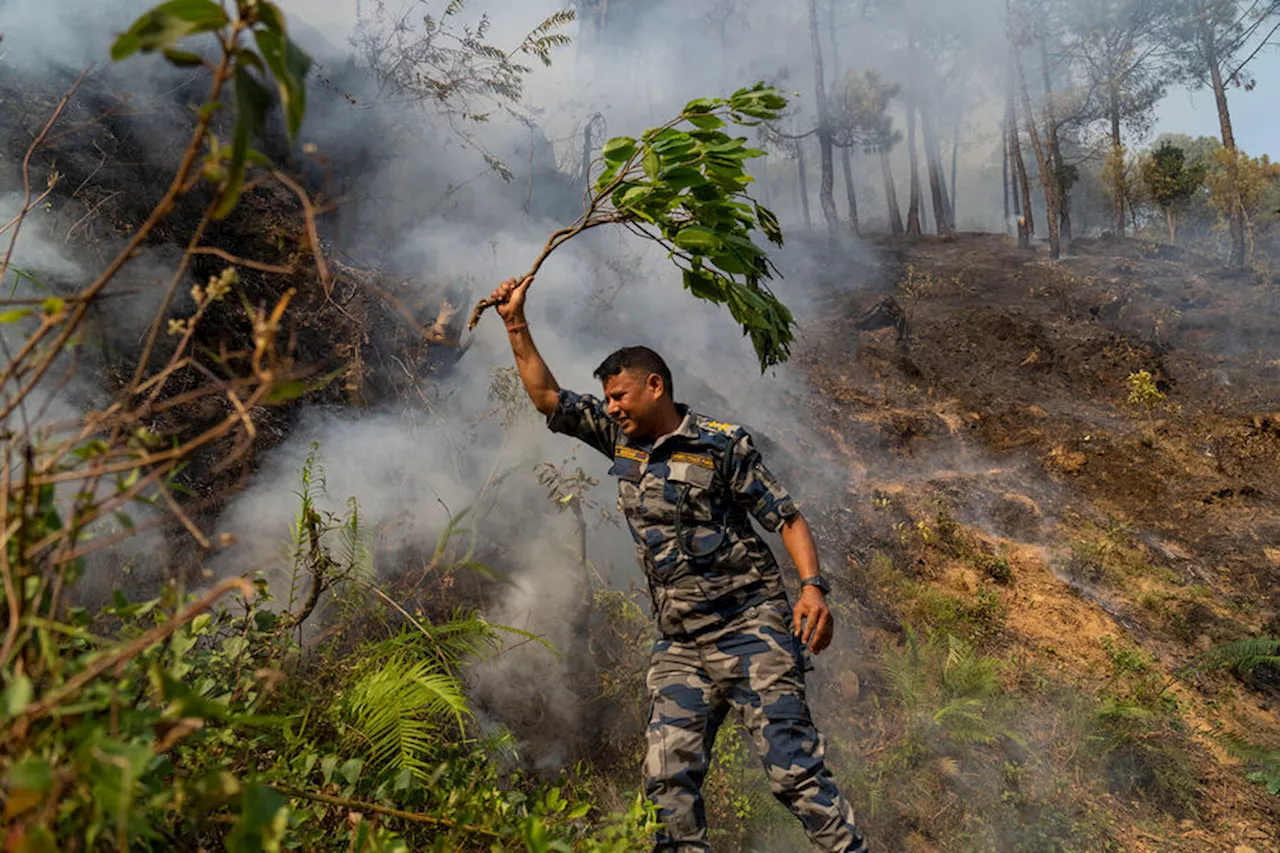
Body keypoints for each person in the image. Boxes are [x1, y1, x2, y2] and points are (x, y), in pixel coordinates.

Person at [488, 275, 869, 853]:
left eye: (620, 396)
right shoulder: (622, 440)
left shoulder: (721, 444)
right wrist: (515, 323)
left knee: (793, 774)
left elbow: (786, 518)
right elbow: (548, 398)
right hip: (680, 645)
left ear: (654, 386)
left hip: (750, 630)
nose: (612, 408)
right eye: (608, 399)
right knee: (667, 787)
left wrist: (812, 589)